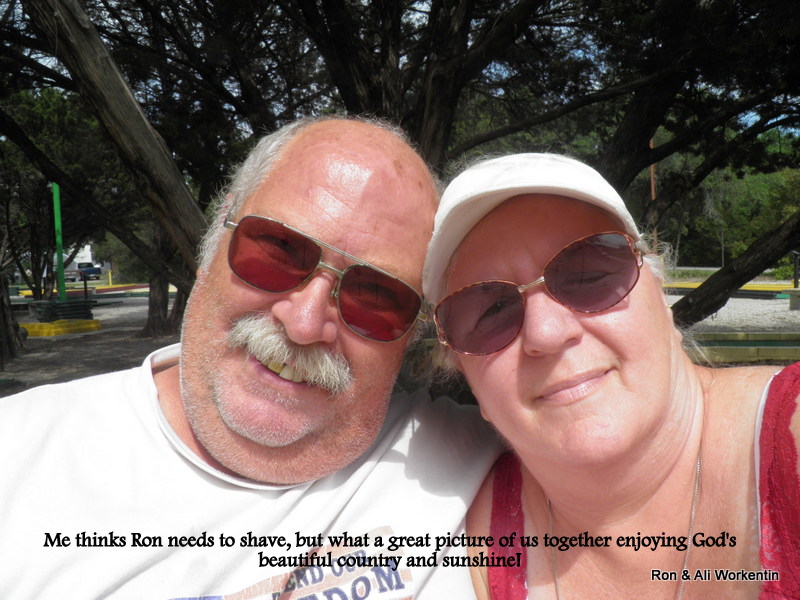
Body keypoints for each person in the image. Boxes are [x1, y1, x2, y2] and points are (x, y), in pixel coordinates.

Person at [0, 116, 500, 598]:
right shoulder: (19, 450)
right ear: (215, 238)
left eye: (375, 295)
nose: (304, 324)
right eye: (279, 250)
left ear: (414, 331)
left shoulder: (484, 466)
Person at [422, 153, 800, 599]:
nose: (547, 333)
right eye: (491, 312)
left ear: (661, 296)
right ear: (468, 379)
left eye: (588, 276)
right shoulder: (464, 547)